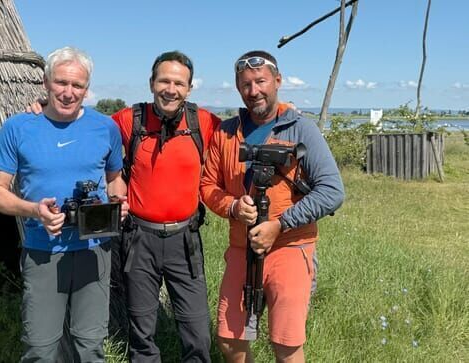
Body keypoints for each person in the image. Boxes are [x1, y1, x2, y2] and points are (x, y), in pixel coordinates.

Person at [0, 46, 128, 362]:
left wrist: (119, 201)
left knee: (89, 346)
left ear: (87, 89)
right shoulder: (19, 128)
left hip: (94, 249)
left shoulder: (105, 128)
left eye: (77, 86)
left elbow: (116, 179)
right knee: (40, 348)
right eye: (61, 83)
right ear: (46, 83)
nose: (68, 92)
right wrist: (33, 209)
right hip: (43, 250)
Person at [200, 50, 345, 363]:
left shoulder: (301, 129)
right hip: (242, 247)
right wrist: (233, 206)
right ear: (239, 88)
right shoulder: (226, 133)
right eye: (246, 84)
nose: (254, 91)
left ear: (277, 81)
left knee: (287, 343)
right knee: (229, 338)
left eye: (261, 81)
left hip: (290, 248)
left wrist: (281, 223)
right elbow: (208, 187)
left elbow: (333, 191)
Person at [112, 51, 220, 362]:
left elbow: (244, 130)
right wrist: (43, 107)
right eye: (164, 81)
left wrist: (282, 112)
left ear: (188, 88)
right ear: (151, 83)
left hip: (184, 240)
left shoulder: (203, 122)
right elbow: (87, 130)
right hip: (138, 239)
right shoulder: (129, 119)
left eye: (179, 83)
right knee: (142, 332)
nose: (170, 89)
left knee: (198, 332)